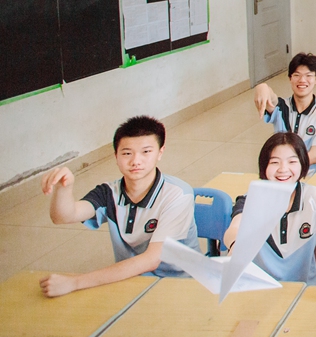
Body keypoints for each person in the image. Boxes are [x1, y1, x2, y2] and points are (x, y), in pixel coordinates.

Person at [39, 116, 199, 297]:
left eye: (146, 152)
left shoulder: (178, 194)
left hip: (181, 285)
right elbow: (64, 216)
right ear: (116, 156)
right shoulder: (109, 192)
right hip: (131, 281)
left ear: (160, 152)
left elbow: (151, 260)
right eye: (127, 153)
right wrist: (63, 188)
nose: (136, 161)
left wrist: (75, 282)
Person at [224, 132, 316, 285]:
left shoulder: (315, 197)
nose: (283, 169)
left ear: (303, 164)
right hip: (261, 286)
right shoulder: (253, 198)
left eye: (292, 161)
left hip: (304, 286)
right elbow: (235, 227)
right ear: (264, 166)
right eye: (275, 162)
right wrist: (236, 245)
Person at [253, 53, 316, 175]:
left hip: (309, 176)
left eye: (308, 75)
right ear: (290, 78)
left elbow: (314, 156)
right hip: (281, 175)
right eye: (297, 75)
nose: (302, 80)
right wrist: (262, 87)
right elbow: (271, 98)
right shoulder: (282, 107)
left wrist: (287, 168)